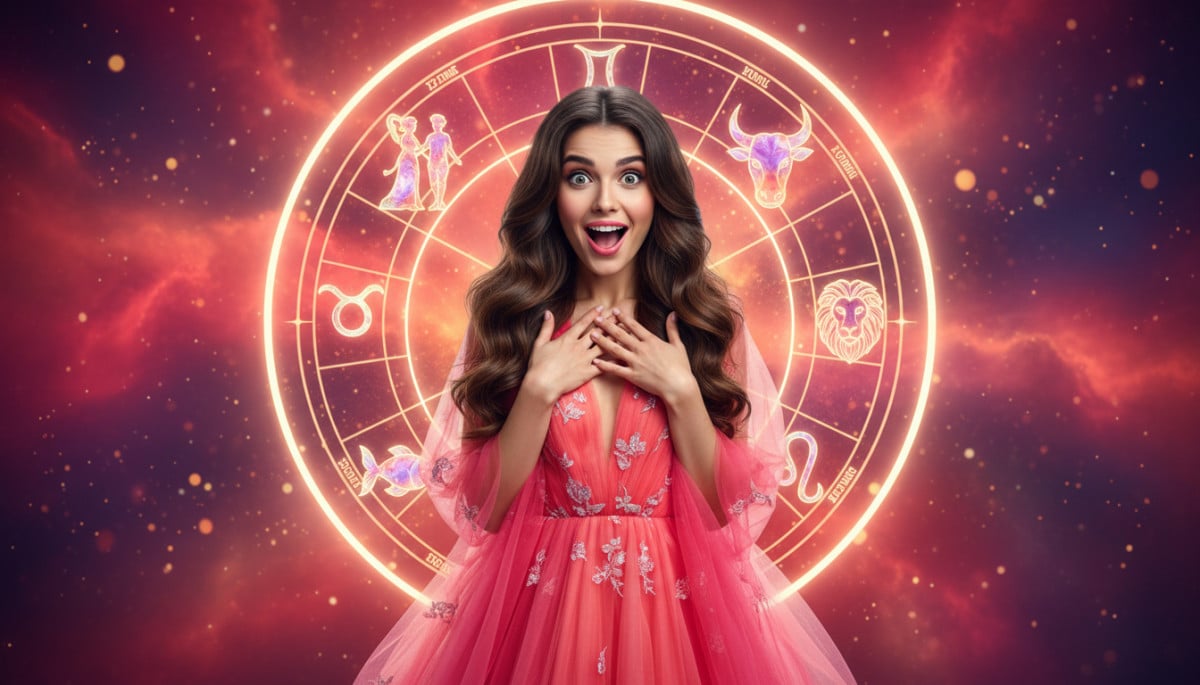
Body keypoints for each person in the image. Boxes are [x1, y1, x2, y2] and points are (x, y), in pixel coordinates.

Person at [355, 86, 855, 684]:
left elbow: (728, 511)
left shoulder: (707, 323)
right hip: (536, 619)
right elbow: (481, 513)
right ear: (552, 193)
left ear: (658, 192)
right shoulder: (510, 320)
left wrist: (681, 392)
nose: (605, 201)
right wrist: (537, 392)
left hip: (680, 618)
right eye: (580, 177)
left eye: (630, 177)